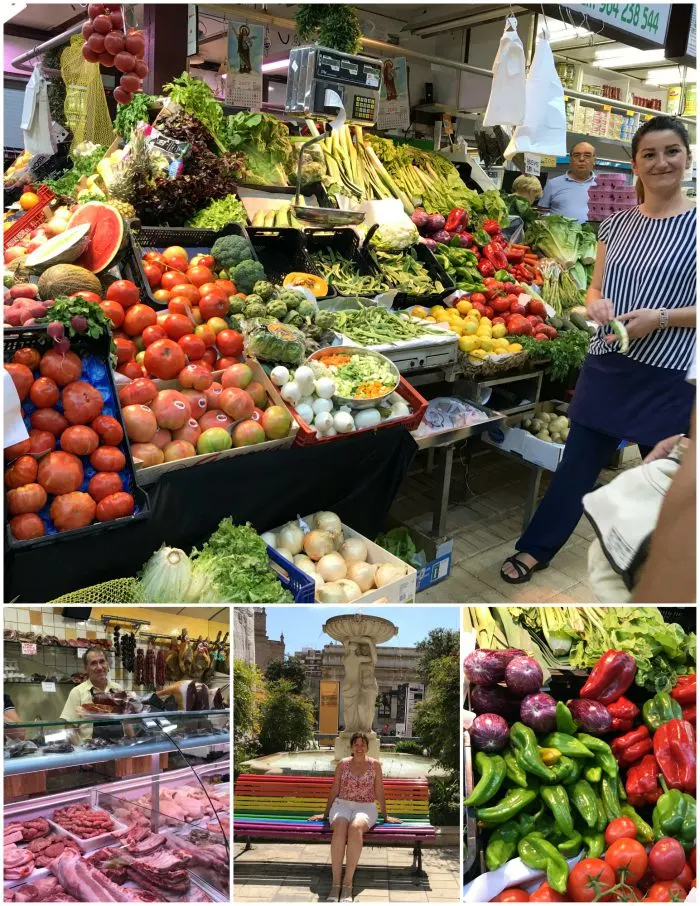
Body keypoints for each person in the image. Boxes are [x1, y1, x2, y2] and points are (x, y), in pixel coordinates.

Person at [501, 115, 696, 586]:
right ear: (635, 166)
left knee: (666, 480)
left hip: (667, 375)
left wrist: (662, 318)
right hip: (607, 365)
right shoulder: (615, 225)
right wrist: (596, 305)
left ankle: (669, 567)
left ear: (688, 158)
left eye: (672, 151)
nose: (662, 162)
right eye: (649, 154)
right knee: (576, 467)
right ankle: (536, 548)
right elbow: (594, 289)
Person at [309, 733, 400, 902]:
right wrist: (325, 814)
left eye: (362, 744)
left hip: (366, 807)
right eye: (356, 745)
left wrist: (385, 816)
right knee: (340, 825)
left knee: (356, 827)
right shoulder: (342, 764)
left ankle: (348, 883)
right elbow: (335, 789)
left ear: (367, 747)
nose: (359, 748)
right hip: (342, 805)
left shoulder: (375, 765)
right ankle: (336, 883)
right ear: (351, 747)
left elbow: (379, 790)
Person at [60, 646, 125, 741]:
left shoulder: (117, 689)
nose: (99, 667)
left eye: (102, 661)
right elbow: (69, 728)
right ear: (86, 668)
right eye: (93, 663)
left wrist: (131, 743)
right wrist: (80, 749)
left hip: (119, 746)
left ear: (107, 664)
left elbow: (126, 722)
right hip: (91, 748)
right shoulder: (77, 692)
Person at [538, 141, 596, 223]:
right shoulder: (552, 184)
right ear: (570, 160)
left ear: (594, 160)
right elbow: (541, 214)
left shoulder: (603, 186)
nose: (581, 159)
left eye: (587, 155)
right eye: (576, 155)